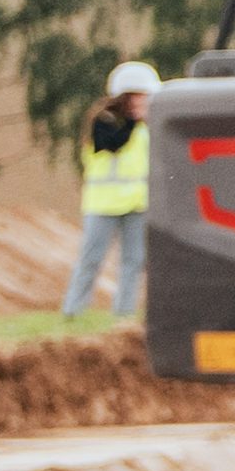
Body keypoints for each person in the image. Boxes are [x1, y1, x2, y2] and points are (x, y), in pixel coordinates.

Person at [65, 60, 156, 324]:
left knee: (133, 262)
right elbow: (113, 145)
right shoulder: (104, 121)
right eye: (138, 98)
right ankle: (73, 310)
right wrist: (132, 122)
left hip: (137, 204)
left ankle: (124, 312)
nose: (143, 104)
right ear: (124, 98)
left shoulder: (147, 127)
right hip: (103, 204)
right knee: (91, 259)